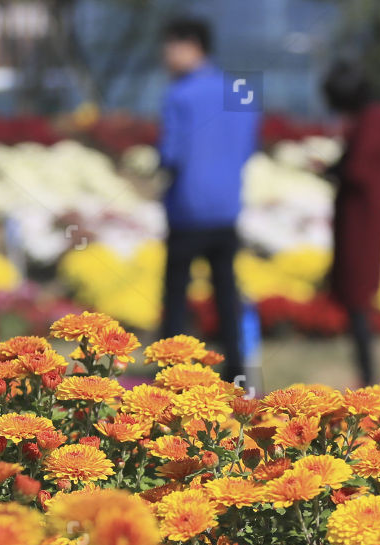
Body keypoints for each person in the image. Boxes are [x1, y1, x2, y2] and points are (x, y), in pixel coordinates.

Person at [156, 16, 260, 382]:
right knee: (226, 293)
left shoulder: (180, 95)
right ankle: (237, 372)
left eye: (169, 47)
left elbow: (171, 155)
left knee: (175, 296)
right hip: (227, 209)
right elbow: (248, 147)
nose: (164, 56)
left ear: (190, 46)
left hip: (187, 209)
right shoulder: (238, 90)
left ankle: (170, 373)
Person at [323, 60, 380, 387]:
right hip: (357, 219)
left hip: (361, 224)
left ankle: (367, 376)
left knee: (359, 300)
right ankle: (364, 374)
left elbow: (358, 171)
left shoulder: (373, 119)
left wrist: (336, 170)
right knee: (355, 301)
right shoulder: (372, 117)